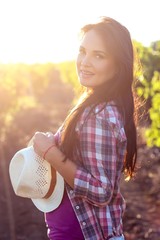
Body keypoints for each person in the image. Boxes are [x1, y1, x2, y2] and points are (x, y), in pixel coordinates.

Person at [32, 16, 137, 240]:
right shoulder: (94, 105)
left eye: (98, 55)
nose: (84, 61)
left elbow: (101, 191)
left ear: (118, 65)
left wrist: (50, 152)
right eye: (82, 51)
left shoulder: (99, 115)